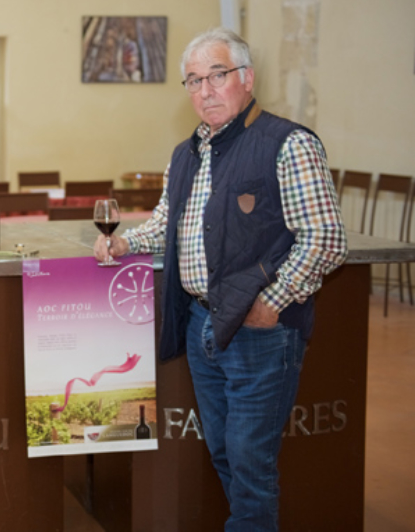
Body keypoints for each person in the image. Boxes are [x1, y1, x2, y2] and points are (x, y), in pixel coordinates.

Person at [94, 27, 347, 530]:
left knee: (251, 465)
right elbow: (168, 222)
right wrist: (126, 243)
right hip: (200, 325)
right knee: (225, 454)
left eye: (217, 75)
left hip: (261, 332)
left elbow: (325, 238)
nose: (204, 90)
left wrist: (271, 302)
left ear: (247, 78)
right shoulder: (186, 153)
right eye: (193, 80)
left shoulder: (288, 143)